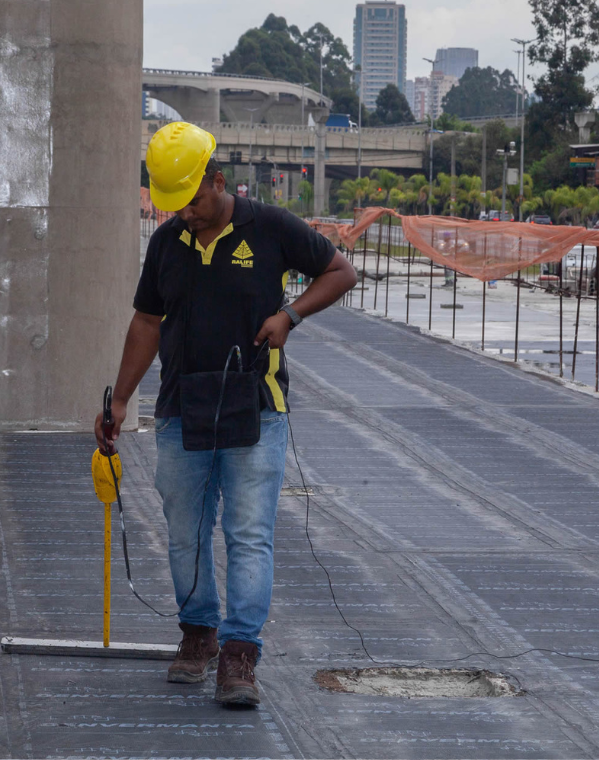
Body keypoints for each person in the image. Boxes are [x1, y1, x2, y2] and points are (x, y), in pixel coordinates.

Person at [94, 122, 357, 706]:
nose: (184, 212)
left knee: (248, 534)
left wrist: (291, 316)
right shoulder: (166, 244)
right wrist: (119, 399)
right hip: (181, 409)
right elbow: (145, 322)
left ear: (218, 180)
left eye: (192, 199)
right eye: (175, 204)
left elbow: (341, 271)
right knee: (185, 532)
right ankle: (198, 633)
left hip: (254, 409)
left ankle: (240, 651)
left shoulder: (270, 229)